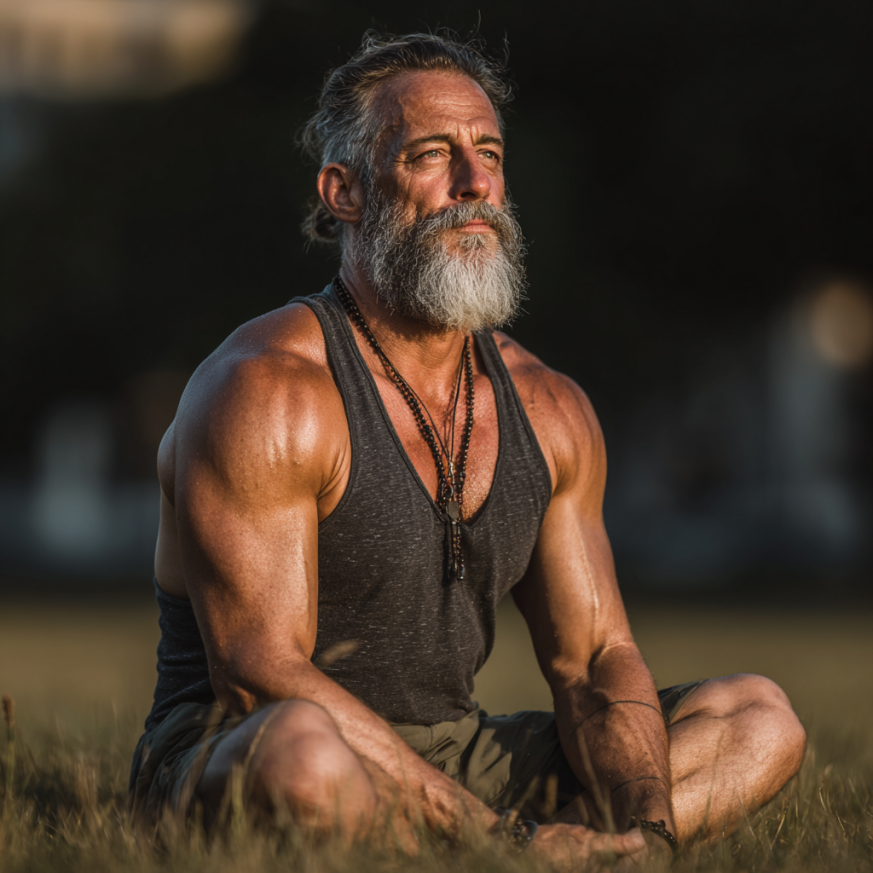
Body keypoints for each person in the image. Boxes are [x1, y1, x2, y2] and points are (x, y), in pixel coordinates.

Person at [128, 31, 806, 866]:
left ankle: (612, 857)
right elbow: (257, 671)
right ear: (343, 191)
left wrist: (650, 826)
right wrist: (501, 839)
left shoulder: (549, 406)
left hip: (454, 756)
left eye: (488, 152)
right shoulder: (265, 389)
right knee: (304, 751)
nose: (475, 181)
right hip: (244, 746)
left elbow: (594, 660)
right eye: (431, 154)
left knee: (757, 718)